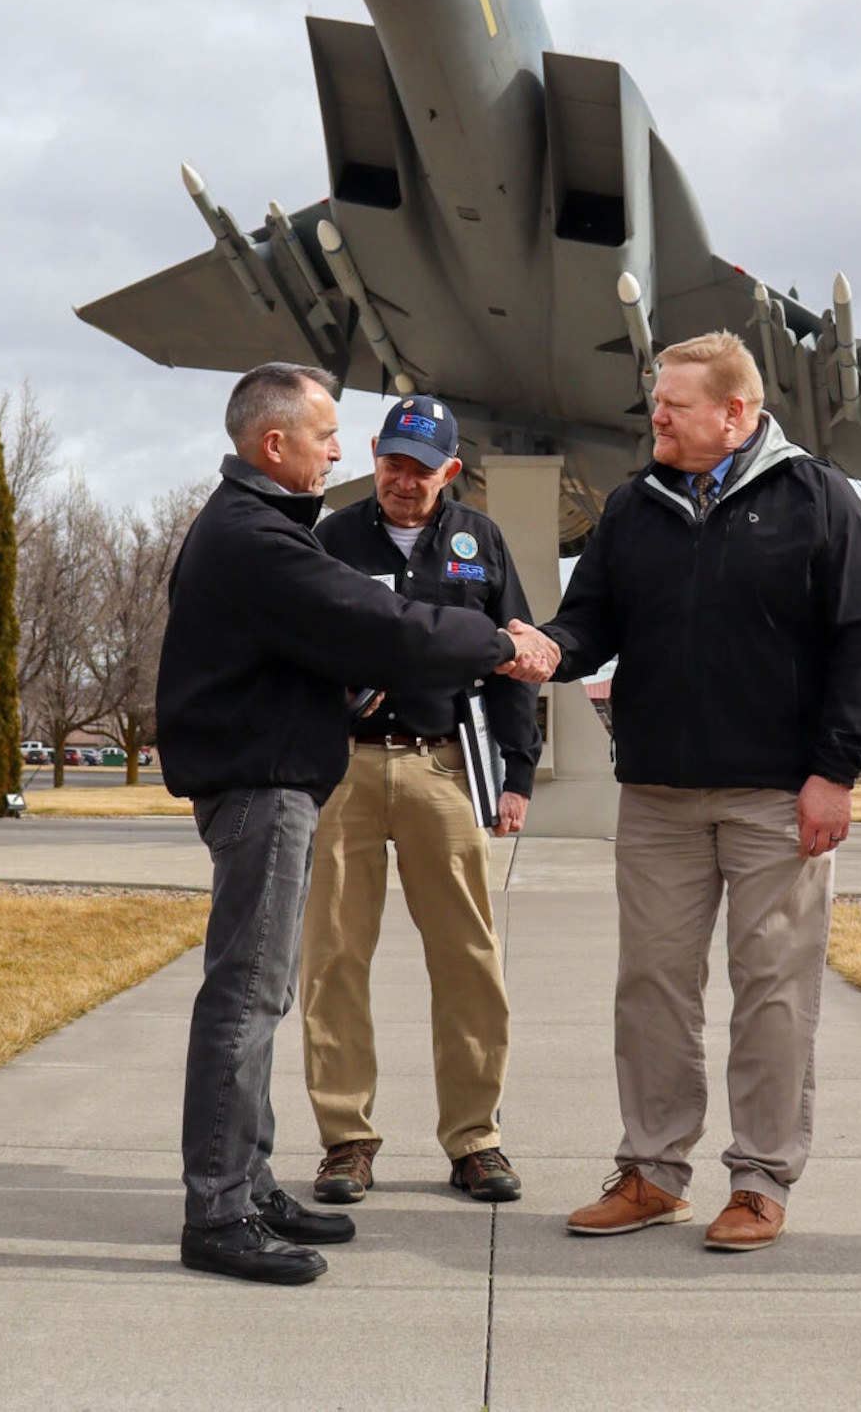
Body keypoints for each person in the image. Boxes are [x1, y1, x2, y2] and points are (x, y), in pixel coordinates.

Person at [157, 364, 554, 1286]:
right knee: (250, 996)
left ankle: (250, 1184)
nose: (341, 451)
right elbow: (378, 622)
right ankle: (219, 1211)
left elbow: (349, 634)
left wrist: (514, 757)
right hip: (266, 782)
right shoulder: (263, 537)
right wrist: (500, 644)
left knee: (276, 990)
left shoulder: (277, 530)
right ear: (274, 444)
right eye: (329, 435)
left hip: (357, 770)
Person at [506, 331, 861, 1252]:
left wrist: (835, 772)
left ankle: (760, 1180)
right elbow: (594, 617)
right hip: (657, 796)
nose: (657, 417)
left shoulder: (817, 499)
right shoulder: (633, 507)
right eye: (656, 401)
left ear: (737, 413)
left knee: (770, 990)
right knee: (651, 987)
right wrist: (552, 645)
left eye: (675, 403)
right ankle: (652, 1172)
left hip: (777, 796)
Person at [302, 397, 539, 1208]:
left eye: (421, 467)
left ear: (451, 469)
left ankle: (476, 1139)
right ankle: (346, 1140)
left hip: (444, 767)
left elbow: (514, 653)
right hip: (349, 771)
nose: (403, 481)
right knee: (333, 956)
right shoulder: (332, 536)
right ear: (374, 454)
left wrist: (518, 775)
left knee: (467, 956)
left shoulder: (480, 541)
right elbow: (299, 645)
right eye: (392, 462)